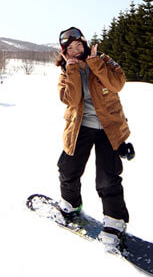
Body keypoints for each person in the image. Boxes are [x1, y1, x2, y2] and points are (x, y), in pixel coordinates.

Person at [55, 26, 133, 249]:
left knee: (107, 177)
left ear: (85, 42)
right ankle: (71, 204)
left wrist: (95, 62)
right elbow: (71, 99)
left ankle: (115, 222)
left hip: (108, 128)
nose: (76, 50)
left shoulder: (104, 60)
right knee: (67, 168)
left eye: (78, 44)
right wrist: (71, 70)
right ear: (65, 52)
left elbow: (117, 84)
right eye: (70, 48)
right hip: (80, 127)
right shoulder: (65, 72)